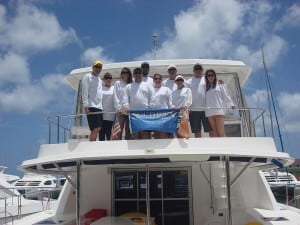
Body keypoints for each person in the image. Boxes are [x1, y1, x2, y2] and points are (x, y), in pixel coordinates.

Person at [123, 67, 155, 139]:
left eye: (139, 73)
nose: (138, 74)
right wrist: (126, 107)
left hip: (146, 114)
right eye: (136, 73)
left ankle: (147, 149)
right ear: (133, 75)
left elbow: (153, 97)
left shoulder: (148, 85)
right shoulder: (128, 86)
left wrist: (151, 108)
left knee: (145, 133)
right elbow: (125, 99)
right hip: (133, 114)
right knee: (136, 134)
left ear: (142, 74)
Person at [205, 69, 235, 137]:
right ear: (206, 77)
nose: (210, 77)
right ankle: (217, 147)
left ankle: (225, 147)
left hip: (219, 110)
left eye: (212, 75)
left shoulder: (220, 85)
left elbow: (225, 95)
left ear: (214, 76)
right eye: (208, 75)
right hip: (209, 112)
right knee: (214, 132)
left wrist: (231, 104)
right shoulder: (206, 87)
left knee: (221, 132)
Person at [186, 63, 212, 138]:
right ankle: (200, 149)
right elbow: (186, 95)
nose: (198, 70)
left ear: (202, 70)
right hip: (193, 110)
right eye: (196, 69)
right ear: (193, 71)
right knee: (197, 131)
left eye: (199, 68)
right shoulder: (188, 81)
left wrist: (220, 82)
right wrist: (188, 108)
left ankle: (213, 147)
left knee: (210, 130)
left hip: (206, 109)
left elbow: (214, 85)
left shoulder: (206, 79)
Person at [82, 60, 103, 141]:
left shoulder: (99, 79)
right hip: (91, 105)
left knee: (99, 127)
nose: (98, 68)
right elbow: (85, 91)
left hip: (99, 107)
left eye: (100, 67)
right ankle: (91, 144)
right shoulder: (87, 77)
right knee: (96, 127)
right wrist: (86, 106)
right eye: (96, 67)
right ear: (93, 68)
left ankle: (92, 142)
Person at [151, 73, 173, 139]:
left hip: (165, 115)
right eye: (156, 78)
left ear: (161, 80)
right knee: (156, 133)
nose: (158, 80)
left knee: (163, 133)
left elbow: (170, 103)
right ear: (153, 80)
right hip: (154, 115)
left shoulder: (167, 89)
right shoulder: (150, 90)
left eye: (159, 78)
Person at [113, 67, 133, 140]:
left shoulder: (131, 83)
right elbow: (115, 96)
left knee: (128, 130)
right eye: (123, 72)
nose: (125, 74)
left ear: (129, 74)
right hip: (120, 111)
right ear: (121, 74)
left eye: (127, 72)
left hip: (129, 111)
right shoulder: (117, 83)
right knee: (118, 131)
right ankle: (118, 148)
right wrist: (118, 109)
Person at [99, 72, 115, 141]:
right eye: (106, 78)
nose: (108, 79)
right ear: (104, 80)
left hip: (112, 117)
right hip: (101, 116)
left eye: (110, 78)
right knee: (101, 136)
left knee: (110, 136)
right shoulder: (100, 89)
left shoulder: (114, 88)